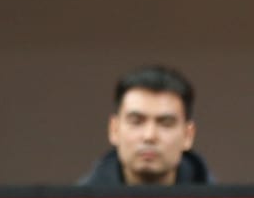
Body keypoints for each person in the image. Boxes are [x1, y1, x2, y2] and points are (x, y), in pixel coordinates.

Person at [77, 65, 212, 186]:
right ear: (114, 130)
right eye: (136, 121)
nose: (149, 136)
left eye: (165, 123)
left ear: (188, 135)